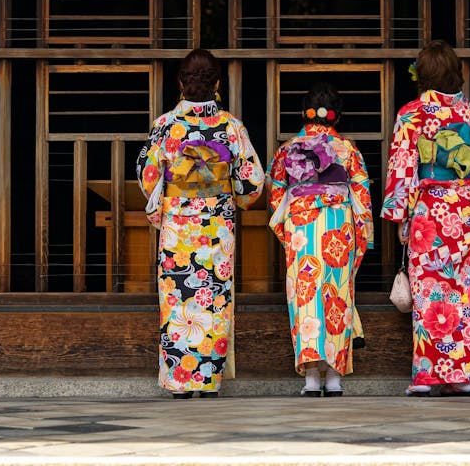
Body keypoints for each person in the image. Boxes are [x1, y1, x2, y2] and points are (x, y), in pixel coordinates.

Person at [135, 49, 264, 399]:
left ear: (180, 82)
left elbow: (148, 176)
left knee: (178, 300)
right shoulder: (230, 126)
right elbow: (251, 182)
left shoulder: (165, 126)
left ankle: (180, 381)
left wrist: (165, 202)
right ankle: (208, 381)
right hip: (216, 225)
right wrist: (232, 197)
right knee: (213, 300)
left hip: (178, 222)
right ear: (217, 83)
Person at [381, 40, 470, 397]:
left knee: (430, 290)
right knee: (466, 291)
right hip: (466, 207)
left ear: (422, 75)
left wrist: (399, 214)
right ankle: (464, 375)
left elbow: (402, 166)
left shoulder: (412, 113)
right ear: (455, 72)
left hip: (430, 209)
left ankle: (429, 375)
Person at [267, 82, 373, 396]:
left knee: (305, 296)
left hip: (301, 225)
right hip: (338, 224)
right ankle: (335, 378)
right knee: (337, 295)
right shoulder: (348, 149)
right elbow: (362, 197)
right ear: (336, 116)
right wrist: (361, 236)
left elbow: (276, 196)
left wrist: (287, 232)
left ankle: (311, 379)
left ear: (304, 113)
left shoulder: (288, 149)